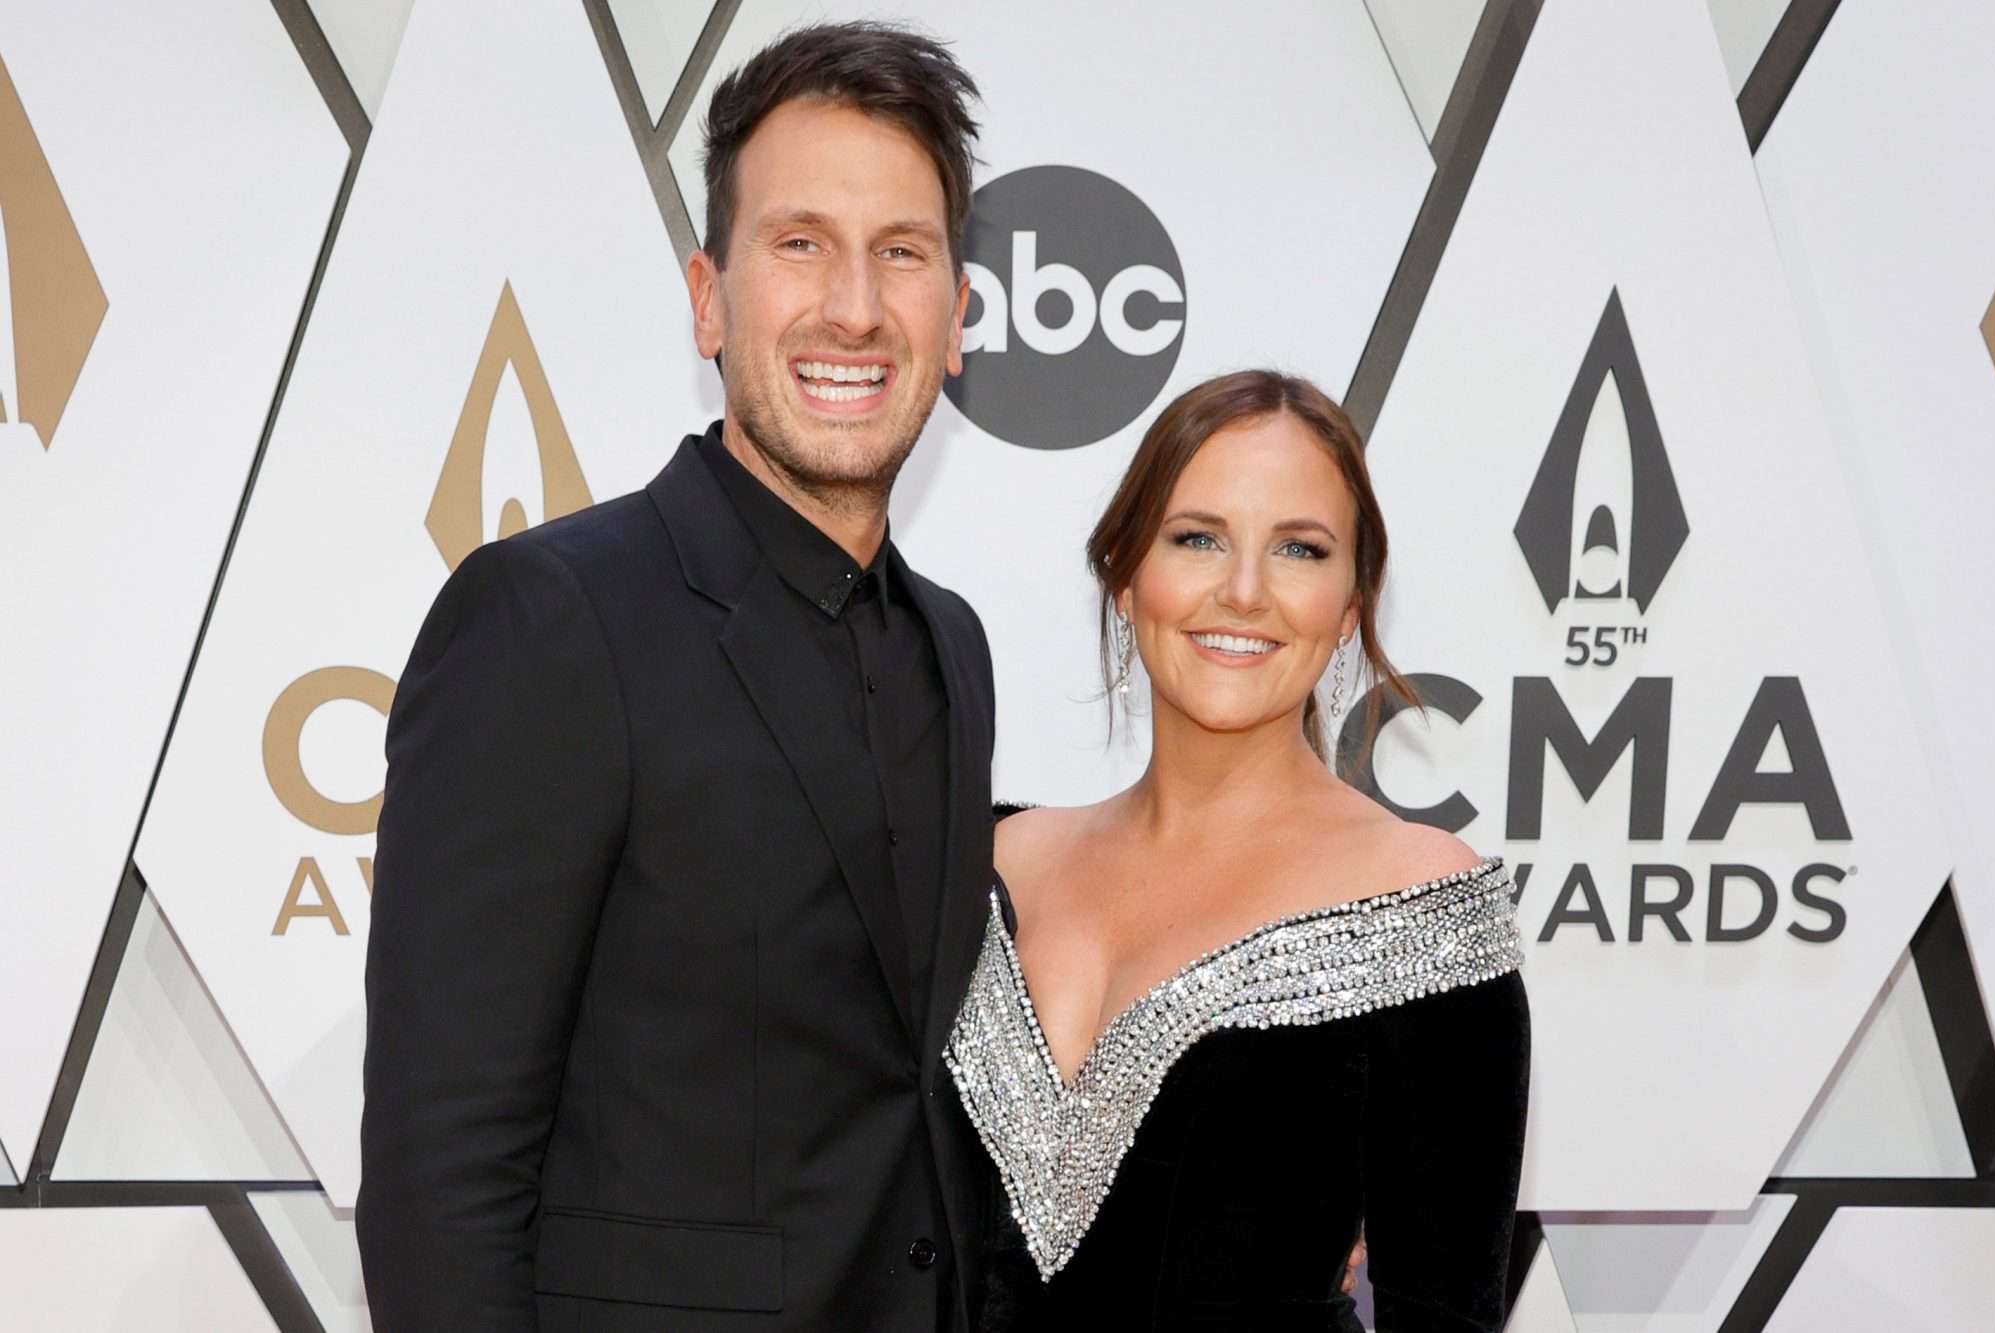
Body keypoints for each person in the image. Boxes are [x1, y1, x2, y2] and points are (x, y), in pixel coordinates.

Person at [356, 23, 999, 1331]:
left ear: (958, 321)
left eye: (902, 254)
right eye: (800, 243)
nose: (855, 306)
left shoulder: (956, 645)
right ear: (708, 297)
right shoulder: (550, 619)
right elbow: (443, 1171)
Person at [946, 370, 1531, 1331]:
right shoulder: (985, 863)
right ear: (1125, 574)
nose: (1246, 591)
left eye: (1300, 549)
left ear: (1349, 607)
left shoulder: (1422, 910)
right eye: (1198, 537)